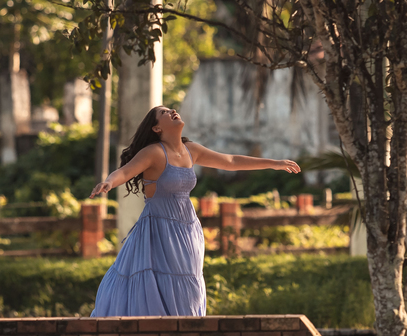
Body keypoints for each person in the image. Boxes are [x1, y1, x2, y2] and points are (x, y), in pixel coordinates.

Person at [88, 106, 300, 317]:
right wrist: (108, 182)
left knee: (188, 285)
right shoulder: (154, 152)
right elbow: (125, 171)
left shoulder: (191, 149)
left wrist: (274, 163)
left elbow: (231, 161)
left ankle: (186, 335)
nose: (171, 110)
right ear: (156, 128)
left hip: (188, 230)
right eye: (163, 113)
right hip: (159, 232)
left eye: (171, 109)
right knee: (157, 283)